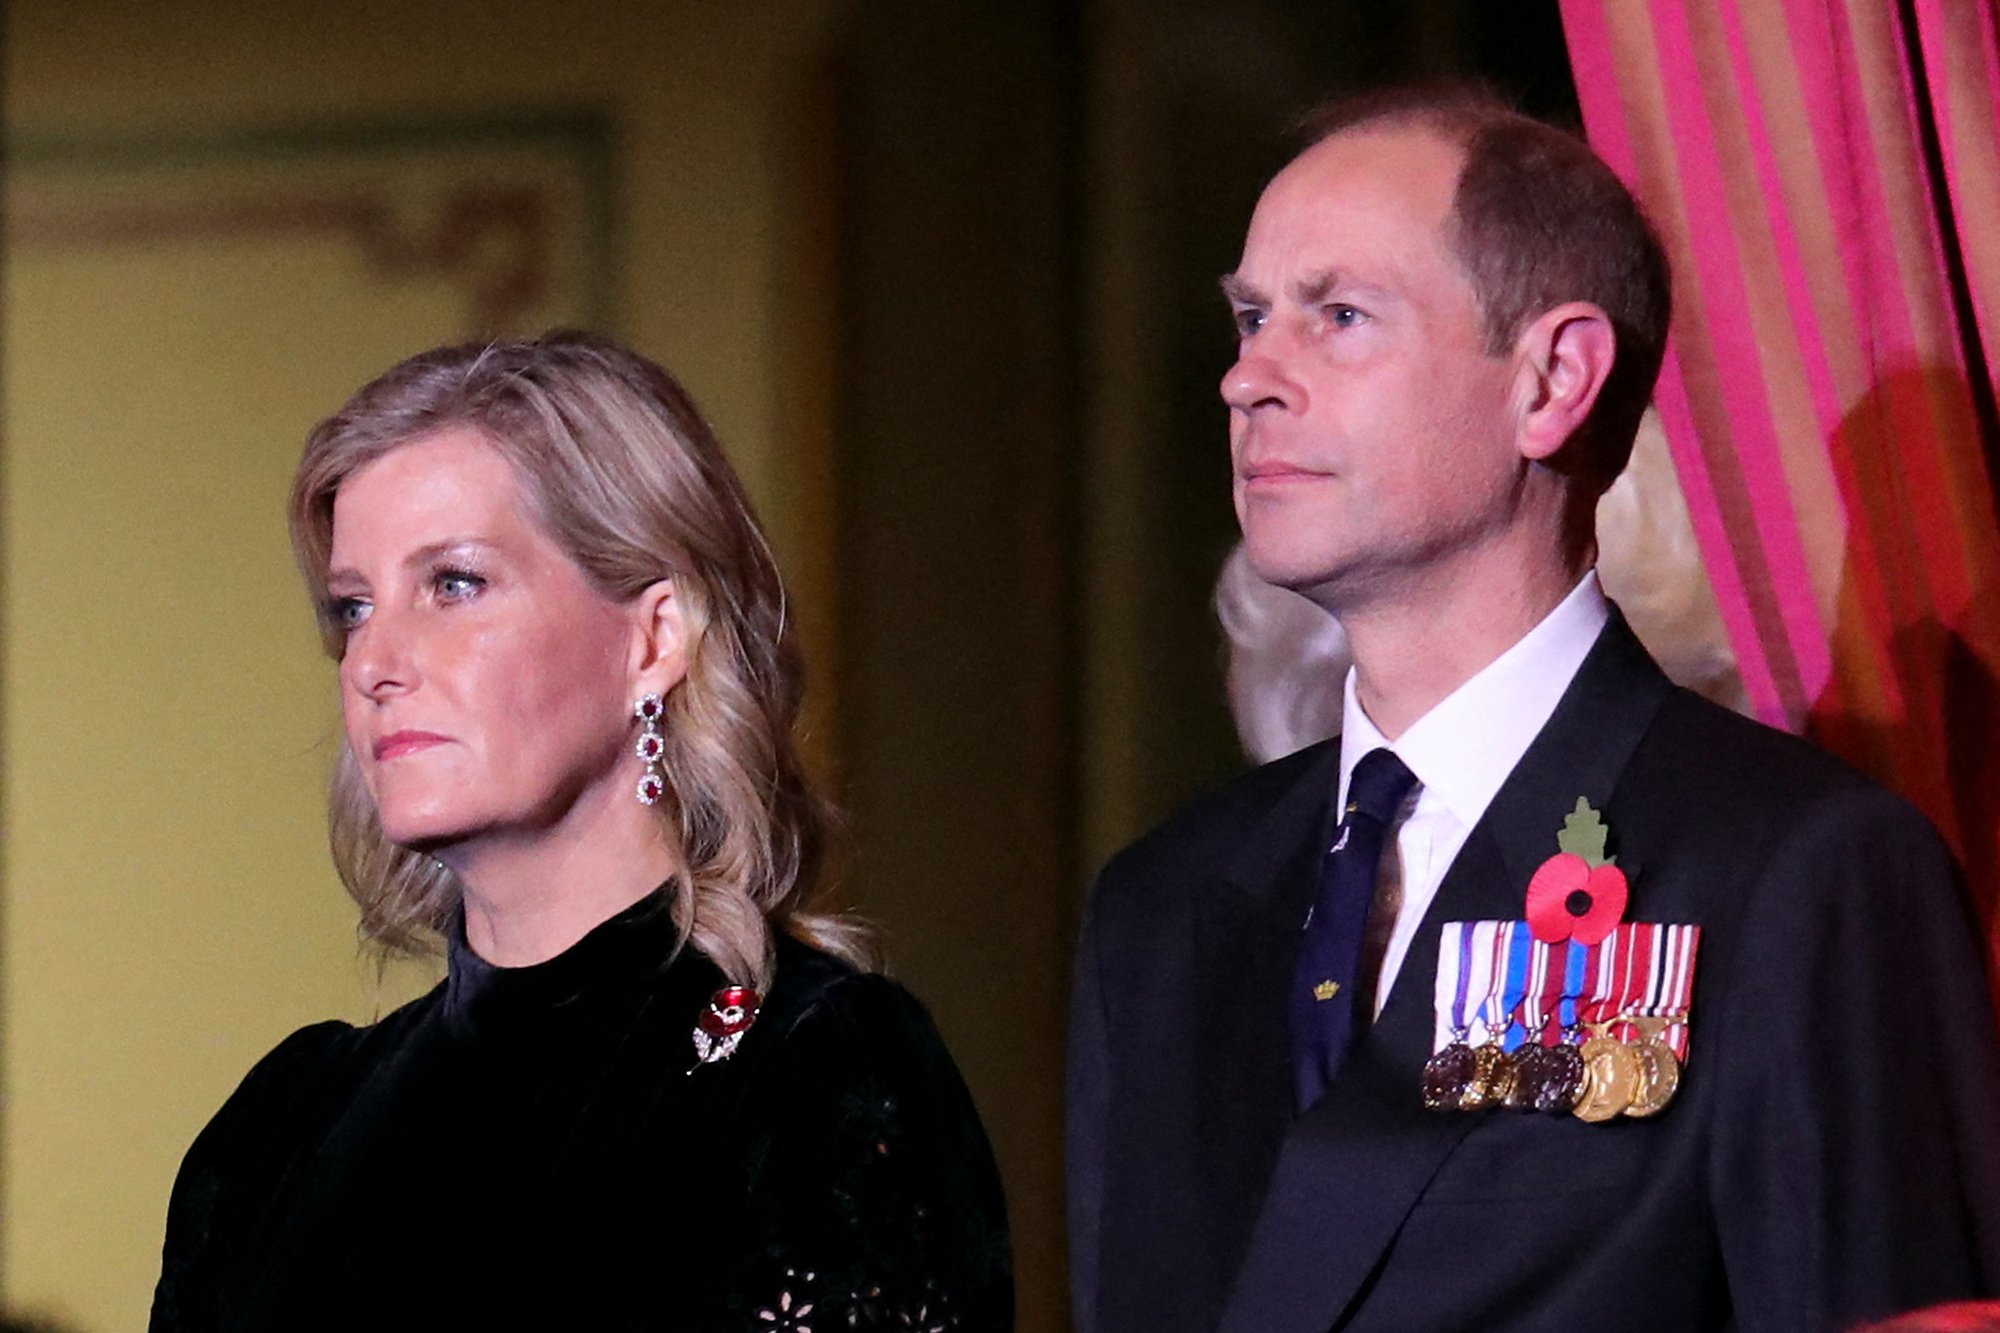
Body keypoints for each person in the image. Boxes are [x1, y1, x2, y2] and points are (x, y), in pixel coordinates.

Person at [1067, 86, 2000, 1333]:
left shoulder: (1797, 872)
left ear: (1552, 377)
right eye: (1248, 318)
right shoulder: (1163, 905)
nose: (1246, 378)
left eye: (1338, 316)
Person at [151, 332, 1012, 1331]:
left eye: (454, 584)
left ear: (653, 638)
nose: (374, 661)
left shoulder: (813, 1073)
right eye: (353, 606)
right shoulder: (283, 1128)